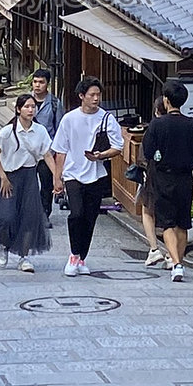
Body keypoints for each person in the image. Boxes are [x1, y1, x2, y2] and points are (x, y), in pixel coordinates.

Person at [49, 76, 124, 277]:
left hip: (97, 174)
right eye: (92, 95)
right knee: (76, 214)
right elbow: (60, 150)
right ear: (82, 96)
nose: (96, 98)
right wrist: (58, 178)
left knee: (90, 217)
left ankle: (82, 257)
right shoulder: (70, 119)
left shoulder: (106, 118)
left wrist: (102, 155)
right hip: (73, 173)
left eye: (98, 95)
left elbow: (118, 147)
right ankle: (74, 254)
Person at [139, 80, 193, 283]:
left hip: (163, 177)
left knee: (167, 222)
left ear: (166, 101)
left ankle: (176, 263)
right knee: (182, 222)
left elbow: (149, 152)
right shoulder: (192, 124)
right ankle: (179, 261)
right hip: (186, 177)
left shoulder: (157, 124)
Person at [0, 95, 53, 272]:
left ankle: (23, 256)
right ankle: (3, 245)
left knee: (29, 217)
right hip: (10, 176)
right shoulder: (7, 131)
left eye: (33, 107)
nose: (30, 110)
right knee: (7, 215)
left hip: (29, 175)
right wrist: (2, 176)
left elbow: (47, 154)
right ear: (18, 109)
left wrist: (57, 176)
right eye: (26, 106)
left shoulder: (40, 131)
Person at [137, 97, 169, 269]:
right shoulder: (181, 125)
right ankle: (172, 255)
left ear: (157, 111)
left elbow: (144, 155)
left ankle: (155, 248)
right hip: (176, 177)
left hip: (153, 176)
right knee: (171, 217)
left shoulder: (153, 128)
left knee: (148, 211)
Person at [29, 68, 63, 221]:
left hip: (47, 152)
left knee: (46, 184)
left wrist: (56, 151)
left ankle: (44, 214)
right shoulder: (26, 101)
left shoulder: (55, 103)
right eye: (35, 82)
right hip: (27, 151)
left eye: (41, 82)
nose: (37, 85)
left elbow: (59, 129)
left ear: (47, 84)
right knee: (28, 184)